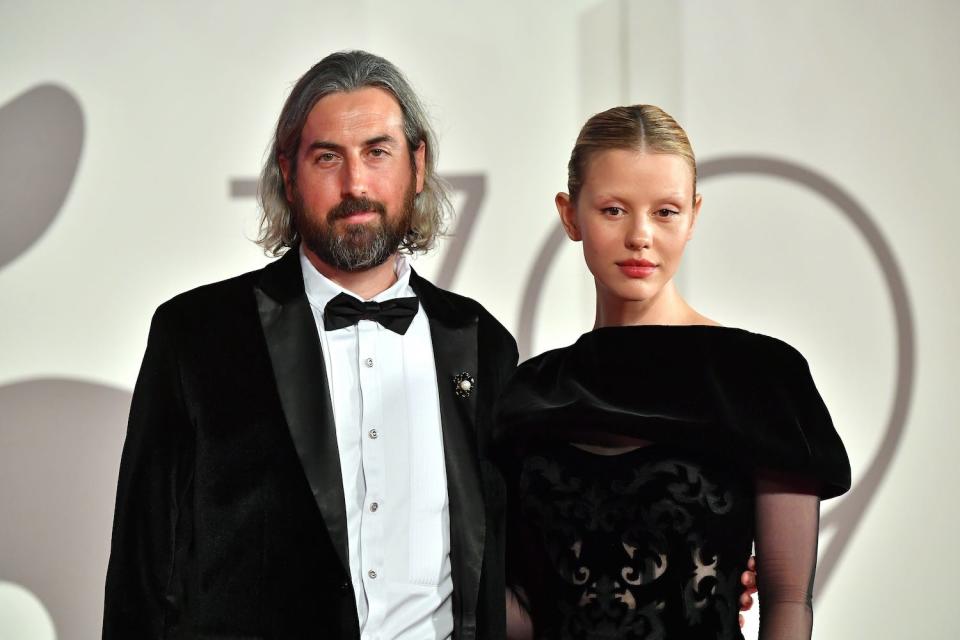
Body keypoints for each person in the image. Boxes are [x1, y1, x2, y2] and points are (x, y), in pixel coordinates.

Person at [102, 50, 518, 639]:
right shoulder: (196, 336)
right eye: (328, 158)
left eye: (377, 152)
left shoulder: (483, 344)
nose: (355, 185)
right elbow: (144, 575)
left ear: (417, 165)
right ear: (288, 174)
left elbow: (501, 571)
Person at [496, 105, 850, 639]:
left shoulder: (760, 379)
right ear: (571, 215)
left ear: (693, 216)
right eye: (614, 210)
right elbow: (520, 610)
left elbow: (787, 603)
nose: (641, 236)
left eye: (665, 212)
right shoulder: (529, 395)